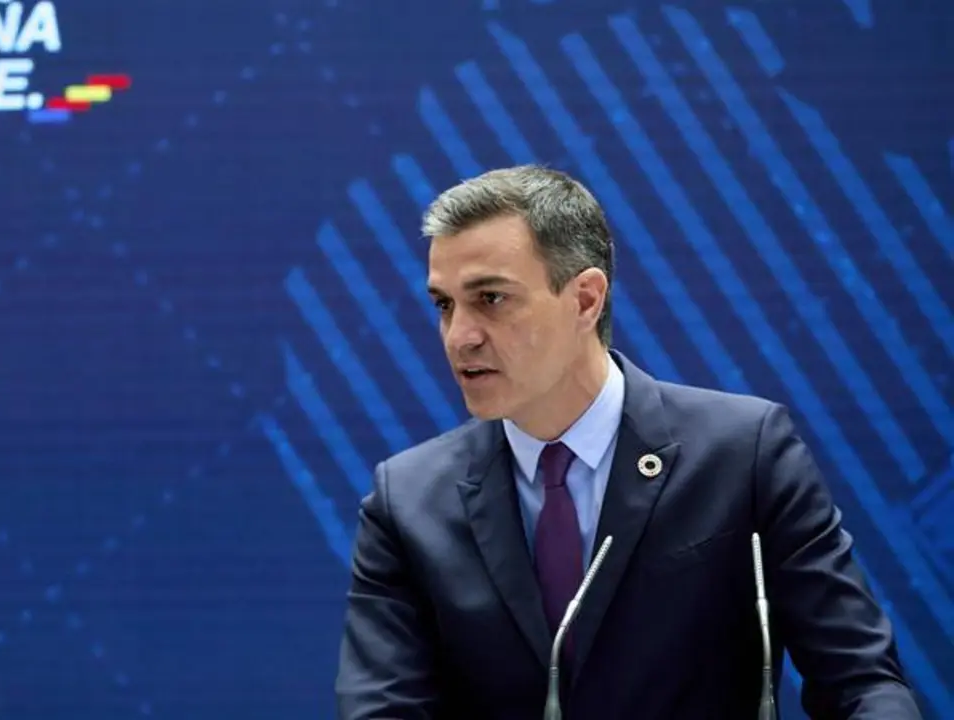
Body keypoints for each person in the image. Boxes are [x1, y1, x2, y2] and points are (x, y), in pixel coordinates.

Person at [333, 165, 922, 719]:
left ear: (585, 299)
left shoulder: (743, 455)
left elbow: (861, 681)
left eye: (491, 299)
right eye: (444, 305)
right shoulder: (407, 501)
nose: (460, 336)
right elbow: (382, 708)